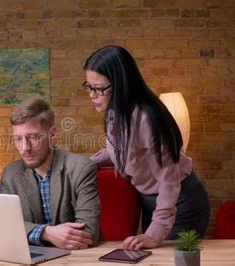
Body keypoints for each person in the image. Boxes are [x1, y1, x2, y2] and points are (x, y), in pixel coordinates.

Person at [82, 45, 210, 250]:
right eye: (88, 87)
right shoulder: (116, 112)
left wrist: (156, 232)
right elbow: (125, 151)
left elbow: (169, 180)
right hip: (152, 201)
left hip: (179, 203)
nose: (92, 94)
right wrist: (85, 164)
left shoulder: (148, 118)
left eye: (98, 88)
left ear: (121, 84)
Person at [1, 98, 100, 250]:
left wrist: (29, 231)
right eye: (18, 139)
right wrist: (46, 233)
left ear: (52, 134)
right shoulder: (11, 174)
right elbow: (5, 225)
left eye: (33, 137)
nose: (24, 147)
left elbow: (88, 233)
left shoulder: (81, 168)